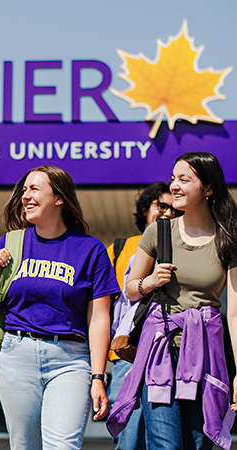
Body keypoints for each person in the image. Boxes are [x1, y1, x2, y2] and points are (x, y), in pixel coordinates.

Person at [0, 165, 120, 450]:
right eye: (24, 190)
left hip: (70, 360)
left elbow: (100, 319)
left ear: (59, 198)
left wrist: (98, 377)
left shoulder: (90, 249)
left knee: (63, 445)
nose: (25, 196)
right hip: (16, 357)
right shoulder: (10, 243)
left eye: (35, 189)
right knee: (24, 446)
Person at [107, 152, 237, 450]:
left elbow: (235, 315)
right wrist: (150, 282)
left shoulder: (227, 238)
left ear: (208, 188)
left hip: (206, 354)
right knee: (165, 445)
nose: (174, 186)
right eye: (173, 178)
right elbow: (129, 289)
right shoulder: (159, 231)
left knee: (197, 443)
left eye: (184, 179)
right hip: (160, 351)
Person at [107, 182, 176, 450]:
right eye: (161, 206)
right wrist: (98, 371)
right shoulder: (120, 249)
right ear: (145, 210)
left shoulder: (183, 244)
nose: (168, 213)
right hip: (129, 355)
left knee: (165, 439)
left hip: (171, 353)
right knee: (129, 438)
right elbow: (104, 308)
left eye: (174, 208)